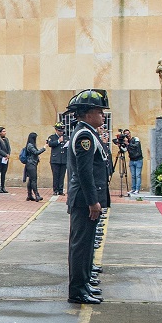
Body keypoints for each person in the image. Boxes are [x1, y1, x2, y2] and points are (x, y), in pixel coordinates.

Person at [65, 89, 108, 305]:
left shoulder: (88, 132)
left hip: (86, 200)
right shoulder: (84, 135)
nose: (103, 115)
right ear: (88, 114)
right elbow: (85, 172)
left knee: (87, 244)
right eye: (100, 111)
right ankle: (77, 290)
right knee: (81, 246)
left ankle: (83, 284)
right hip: (84, 201)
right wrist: (93, 201)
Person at [20, 132, 43, 201]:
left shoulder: (30, 145)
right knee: (33, 180)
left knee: (30, 180)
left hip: (32, 163)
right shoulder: (30, 145)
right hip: (31, 164)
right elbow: (36, 152)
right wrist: (44, 148)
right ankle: (37, 195)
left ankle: (29, 195)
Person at [46, 124, 67, 195]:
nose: (61, 132)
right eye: (59, 131)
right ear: (56, 130)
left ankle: (60, 190)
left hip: (63, 159)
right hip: (55, 160)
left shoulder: (66, 137)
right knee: (55, 176)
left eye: (62, 131)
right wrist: (58, 141)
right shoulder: (52, 137)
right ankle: (55, 190)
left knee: (62, 176)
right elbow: (50, 144)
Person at [0, 126, 11, 192]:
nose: (5, 133)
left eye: (5, 131)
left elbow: (9, 148)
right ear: (0, 132)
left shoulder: (6, 139)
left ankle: (3, 187)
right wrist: (5, 154)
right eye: (3, 131)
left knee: (3, 172)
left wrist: (8, 155)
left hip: (5, 158)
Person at [126, 129, 143, 196]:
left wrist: (128, 144)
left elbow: (136, 145)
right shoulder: (126, 142)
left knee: (137, 175)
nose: (127, 135)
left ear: (130, 133)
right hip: (132, 160)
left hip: (138, 159)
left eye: (128, 133)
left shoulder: (135, 139)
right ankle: (133, 189)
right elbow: (124, 150)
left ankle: (137, 189)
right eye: (126, 134)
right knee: (133, 176)